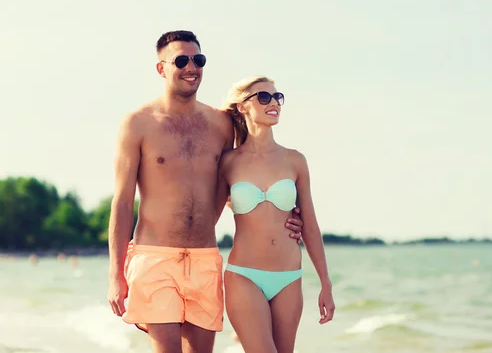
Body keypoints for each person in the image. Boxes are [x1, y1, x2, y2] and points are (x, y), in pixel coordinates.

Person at [106, 30, 304, 353]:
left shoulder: (222, 124)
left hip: (204, 259)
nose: (191, 67)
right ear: (161, 68)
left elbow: (246, 174)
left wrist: (287, 215)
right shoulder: (137, 124)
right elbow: (123, 201)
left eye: (198, 60)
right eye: (181, 60)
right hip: (155, 257)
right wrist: (116, 274)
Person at [219, 75, 335, 353]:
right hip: (244, 276)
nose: (274, 103)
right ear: (244, 106)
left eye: (277, 97)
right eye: (263, 97)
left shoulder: (295, 160)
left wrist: (325, 284)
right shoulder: (227, 162)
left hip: (289, 278)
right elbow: (206, 214)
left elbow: (311, 226)